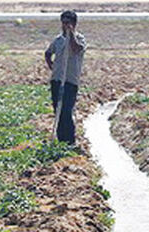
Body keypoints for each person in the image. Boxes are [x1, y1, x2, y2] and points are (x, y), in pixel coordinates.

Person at [45, 10, 87, 145]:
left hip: (70, 81)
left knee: (67, 111)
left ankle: (70, 141)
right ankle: (60, 139)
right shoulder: (58, 40)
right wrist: (51, 65)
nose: (65, 25)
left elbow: (76, 49)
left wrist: (71, 35)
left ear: (74, 24)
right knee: (57, 109)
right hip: (57, 80)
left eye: (69, 23)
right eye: (64, 23)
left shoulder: (80, 39)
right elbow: (48, 53)